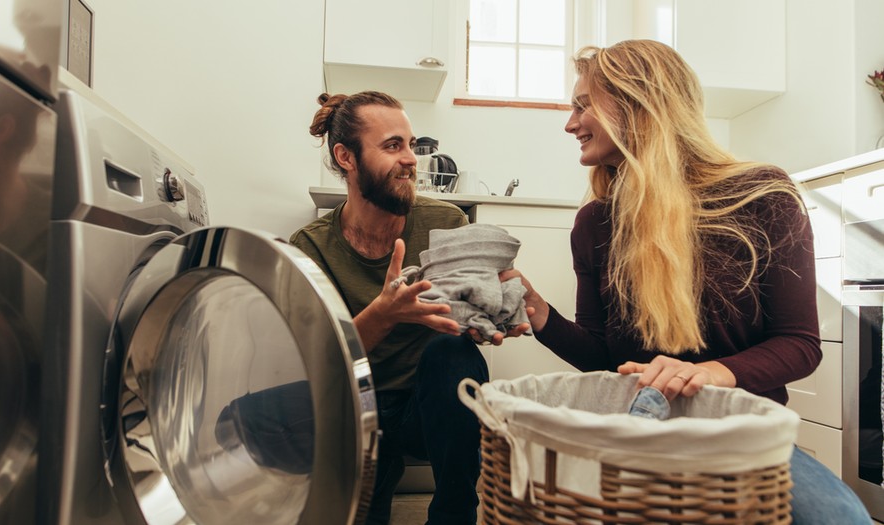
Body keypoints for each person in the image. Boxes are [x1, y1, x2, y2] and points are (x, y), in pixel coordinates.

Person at [500, 39, 871, 524]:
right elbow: (604, 357)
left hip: (739, 434)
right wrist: (539, 312)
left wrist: (711, 374)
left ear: (639, 102)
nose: (570, 123)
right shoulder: (595, 223)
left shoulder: (763, 196)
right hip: (637, 427)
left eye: (583, 104)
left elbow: (799, 344)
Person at [290, 91, 528, 525]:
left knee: (453, 353)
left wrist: (490, 311)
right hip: (360, 412)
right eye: (392, 145)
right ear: (346, 157)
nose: (411, 159)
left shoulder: (447, 224)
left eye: (410, 145)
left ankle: (455, 512)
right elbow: (316, 362)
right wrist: (384, 313)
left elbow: (474, 303)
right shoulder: (311, 247)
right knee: (251, 416)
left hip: (428, 407)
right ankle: (373, 477)